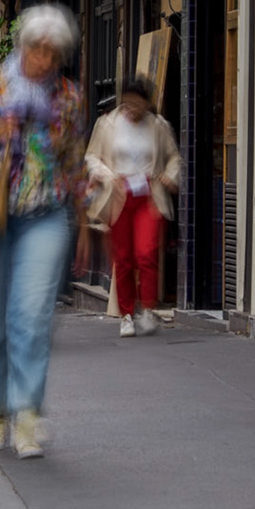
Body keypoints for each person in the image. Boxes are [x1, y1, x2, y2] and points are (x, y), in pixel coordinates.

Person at [0, 5, 87, 458]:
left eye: (54, 52)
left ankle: (27, 413)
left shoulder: (69, 96)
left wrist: (83, 224)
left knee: (31, 316)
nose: (44, 59)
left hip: (45, 214)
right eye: (37, 48)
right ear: (23, 45)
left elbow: (73, 163)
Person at [85, 76, 181, 338]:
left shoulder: (158, 125)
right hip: (119, 195)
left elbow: (173, 156)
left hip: (149, 195)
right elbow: (92, 157)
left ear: (147, 104)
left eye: (138, 104)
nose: (133, 109)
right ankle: (127, 314)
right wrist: (106, 174)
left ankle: (148, 309)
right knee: (124, 259)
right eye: (128, 103)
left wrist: (169, 177)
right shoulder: (107, 124)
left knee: (147, 253)